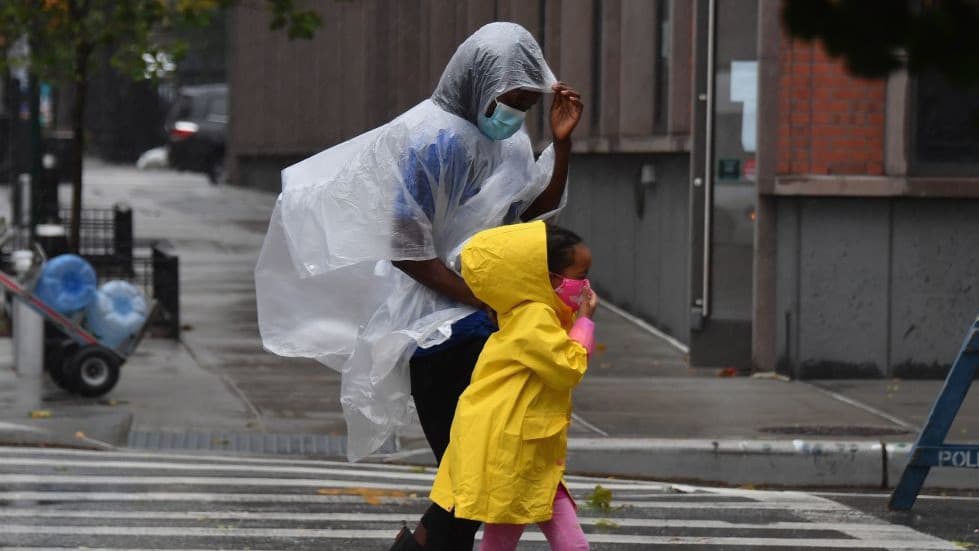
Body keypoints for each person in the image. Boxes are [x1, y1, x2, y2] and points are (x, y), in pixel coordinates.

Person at [254, 21, 581, 550]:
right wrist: (476, 299)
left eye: (525, 101)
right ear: (478, 83)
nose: (514, 112)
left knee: (473, 480)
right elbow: (407, 248)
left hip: (483, 328)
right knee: (470, 479)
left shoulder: (512, 143)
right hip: (436, 334)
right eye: (508, 98)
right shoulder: (434, 140)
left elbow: (527, 213)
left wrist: (560, 147)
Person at [428, 221, 596, 551]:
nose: (587, 284)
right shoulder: (534, 317)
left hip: (526, 450)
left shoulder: (531, 314)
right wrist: (585, 320)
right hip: (514, 450)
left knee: (523, 542)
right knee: (513, 541)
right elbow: (569, 367)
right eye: (581, 274)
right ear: (551, 279)